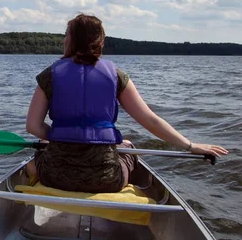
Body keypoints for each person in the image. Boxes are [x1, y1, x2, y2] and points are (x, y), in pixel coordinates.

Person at [24, 13, 228, 193]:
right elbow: (150, 120)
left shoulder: (50, 75)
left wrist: (58, 137)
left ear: (73, 40)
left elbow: (33, 127)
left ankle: (32, 170)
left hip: (55, 177)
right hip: (106, 180)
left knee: (43, 145)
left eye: (66, 34)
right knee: (128, 146)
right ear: (99, 41)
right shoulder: (116, 76)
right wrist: (190, 145)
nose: (63, 40)